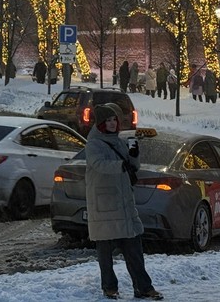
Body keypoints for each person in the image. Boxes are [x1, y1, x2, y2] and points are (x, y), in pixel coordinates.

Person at [85, 104, 163, 300]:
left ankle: (143, 287)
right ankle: (109, 287)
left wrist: (134, 156)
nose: (112, 124)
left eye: (114, 120)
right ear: (101, 123)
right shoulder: (93, 144)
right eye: (108, 121)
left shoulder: (119, 142)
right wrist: (122, 164)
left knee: (134, 247)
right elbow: (99, 164)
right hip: (104, 204)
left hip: (124, 202)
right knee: (105, 253)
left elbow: (132, 167)